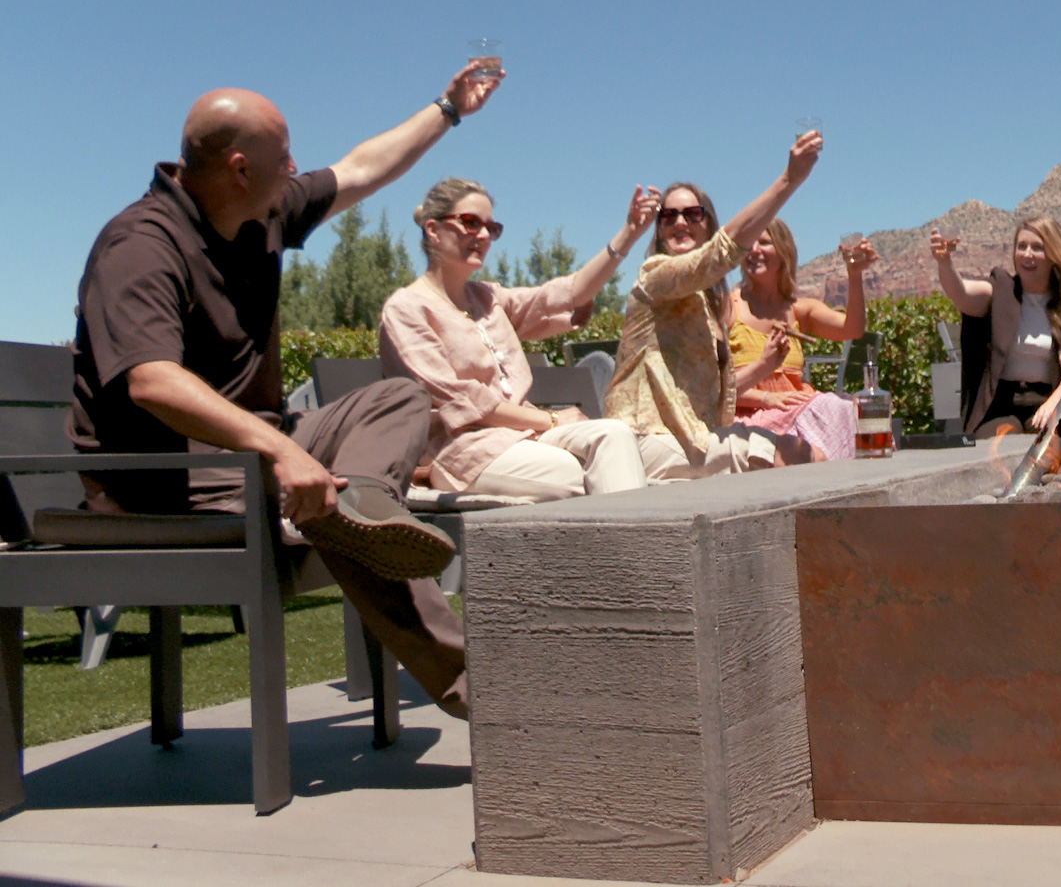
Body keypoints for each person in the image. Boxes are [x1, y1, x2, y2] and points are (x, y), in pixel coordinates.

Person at [67, 63, 500, 718]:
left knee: (400, 399)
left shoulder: (261, 210)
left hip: (252, 449)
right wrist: (281, 452)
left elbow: (362, 168)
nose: (297, 166)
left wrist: (448, 108)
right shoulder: (141, 243)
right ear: (240, 167)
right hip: (162, 472)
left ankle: (362, 506)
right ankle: (482, 690)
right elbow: (151, 381)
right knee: (330, 502)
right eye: (285, 155)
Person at [378, 177, 659, 500]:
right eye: (470, 223)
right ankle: (640, 550)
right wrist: (551, 418)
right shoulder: (407, 310)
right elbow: (465, 403)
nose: (483, 235)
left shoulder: (486, 298)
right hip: (463, 454)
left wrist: (629, 234)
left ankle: (635, 548)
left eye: (491, 228)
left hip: (523, 438)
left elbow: (569, 293)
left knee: (616, 434)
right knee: (590, 469)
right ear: (432, 230)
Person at [602, 132, 822, 479]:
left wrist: (764, 368)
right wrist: (789, 179)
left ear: (707, 225)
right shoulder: (654, 276)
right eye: (668, 215)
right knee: (799, 456)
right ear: (658, 230)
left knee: (810, 450)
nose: (679, 222)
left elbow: (716, 394)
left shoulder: (707, 303)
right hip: (647, 438)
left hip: (693, 437)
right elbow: (720, 254)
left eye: (692, 214)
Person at [930, 217, 1061, 436]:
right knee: (1001, 445)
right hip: (999, 407)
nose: (1027, 254)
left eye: (1037, 247)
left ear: (1055, 255)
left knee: (1051, 445)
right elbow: (960, 293)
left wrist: (1055, 401)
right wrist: (945, 262)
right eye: (1021, 246)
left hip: (1049, 400)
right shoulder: (1000, 291)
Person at [726, 219, 874, 461]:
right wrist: (767, 398)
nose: (753, 250)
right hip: (750, 416)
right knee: (830, 408)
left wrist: (854, 275)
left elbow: (853, 329)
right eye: (748, 244)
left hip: (798, 411)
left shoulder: (798, 310)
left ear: (784, 251)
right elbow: (713, 388)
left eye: (763, 242)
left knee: (852, 408)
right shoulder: (728, 307)